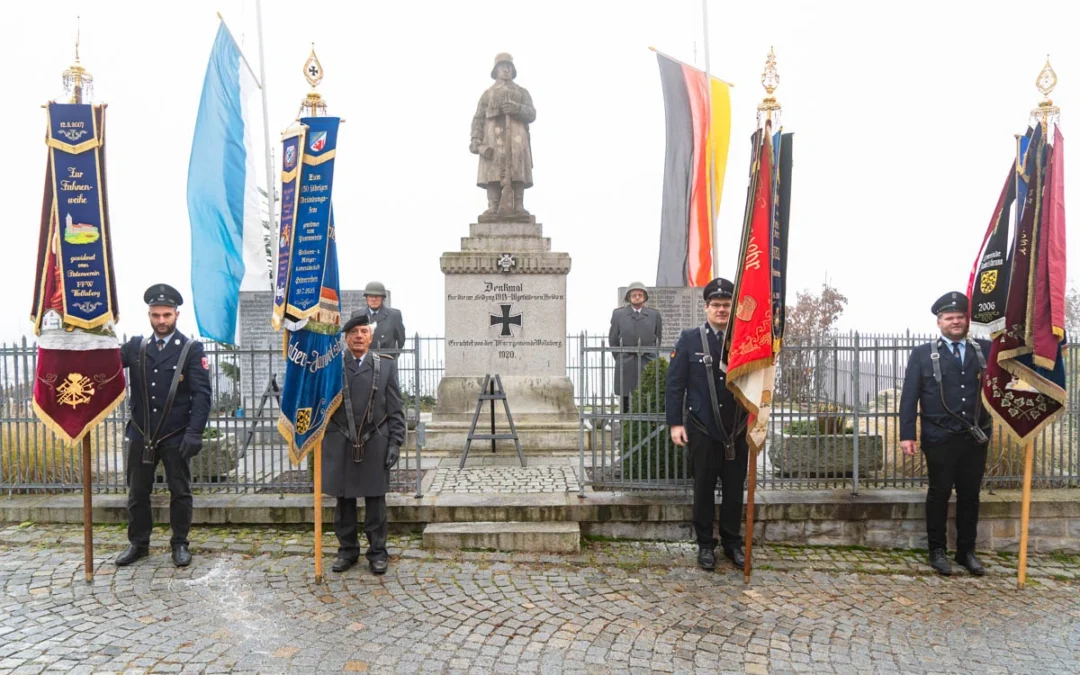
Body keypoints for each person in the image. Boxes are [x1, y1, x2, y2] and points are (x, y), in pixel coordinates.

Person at [115, 284, 212, 568]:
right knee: (137, 493)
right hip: (141, 432)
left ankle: (180, 543)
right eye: (156, 315)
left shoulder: (191, 350)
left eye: (166, 315)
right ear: (149, 314)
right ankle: (138, 543)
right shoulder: (136, 348)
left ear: (176, 315)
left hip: (176, 433)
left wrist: (195, 432)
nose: (161, 321)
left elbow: (202, 394)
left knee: (180, 492)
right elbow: (105, 360)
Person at [900, 292, 992, 576]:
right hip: (938, 436)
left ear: (967, 320)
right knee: (939, 493)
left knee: (970, 495)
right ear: (939, 322)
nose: (955, 321)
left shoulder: (987, 350)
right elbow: (909, 396)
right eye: (949, 318)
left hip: (975, 436)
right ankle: (937, 551)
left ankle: (966, 551)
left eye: (960, 317)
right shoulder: (922, 354)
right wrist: (907, 434)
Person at [665, 278, 749, 571]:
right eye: (716, 305)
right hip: (702, 428)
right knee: (703, 488)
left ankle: (732, 542)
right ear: (706, 308)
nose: (722, 310)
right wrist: (675, 423)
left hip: (738, 430)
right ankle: (705, 545)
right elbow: (675, 385)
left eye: (727, 306)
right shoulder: (690, 339)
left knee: (734, 489)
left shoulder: (745, 339)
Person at [323, 311, 407, 575]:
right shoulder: (332, 367)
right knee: (344, 504)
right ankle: (347, 551)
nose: (359, 337)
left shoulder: (386, 366)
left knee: (375, 504)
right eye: (354, 333)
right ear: (346, 338)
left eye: (364, 332)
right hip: (342, 442)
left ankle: (378, 553)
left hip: (374, 442)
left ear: (371, 337)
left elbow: (395, 409)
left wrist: (395, 442)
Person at [470, 53, 536, 219]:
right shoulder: (488, 94)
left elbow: (532, 114)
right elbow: (478, 118)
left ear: (513, 70)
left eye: (509, 66)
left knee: (518, 170)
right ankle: (493, 206)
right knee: (492, 172)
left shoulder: (521, 92)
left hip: (516, 138)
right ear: (496, 70)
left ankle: (518, 205)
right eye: (502, 66)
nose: (506, 70)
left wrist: (517, 109)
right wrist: (476, 140)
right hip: (492, 137)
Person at [609, 282, 663, 413]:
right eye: (634, 295)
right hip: (626, 361)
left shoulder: (654, 315)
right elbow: (613, 339)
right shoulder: (618, 315)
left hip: (647, 360)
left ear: (644, 297)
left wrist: (651, 355)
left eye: (640, 294)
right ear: (629, 297)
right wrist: (621, 356)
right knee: (626, 399)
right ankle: (626, 426)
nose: (637, 297)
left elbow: (658, 338)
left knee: (648, 396)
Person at [364, 281, 406, 352]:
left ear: (383, 298)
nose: (374, 300)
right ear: (366, 298)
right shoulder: (357, 315)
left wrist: (392, 357)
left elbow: (401, 340)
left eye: (377, 297)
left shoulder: (394, 315)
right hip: (364, 360)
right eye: (371, 296)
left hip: (386, 359)